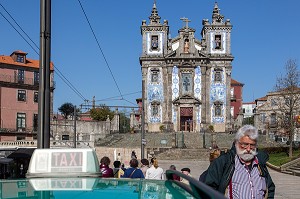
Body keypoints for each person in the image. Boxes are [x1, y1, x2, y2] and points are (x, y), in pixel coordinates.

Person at [205, 125, 275, 199]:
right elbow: (209, 189)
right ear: (236, 143)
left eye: (252, 145)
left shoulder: (260, 164)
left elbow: (269, 188)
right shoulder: (224, 162)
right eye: (245, 144)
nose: (248, 149)